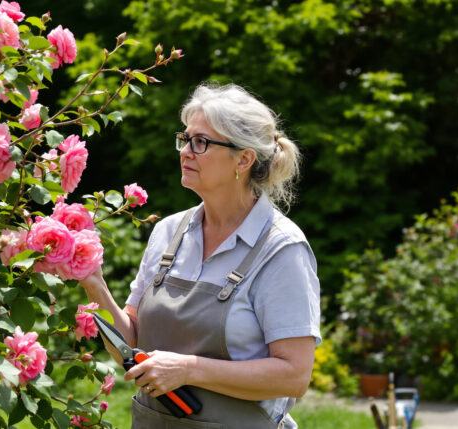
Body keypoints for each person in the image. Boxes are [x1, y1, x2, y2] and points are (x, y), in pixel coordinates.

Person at [79, 82, 321, 428]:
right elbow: (131, 346)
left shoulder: (281, 250)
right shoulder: (168, 233)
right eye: (186, 139)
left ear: (243, 159)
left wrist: (188, 369)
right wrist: (94, 284)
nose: (186, 152)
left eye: (201, 142)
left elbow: (294, 376)